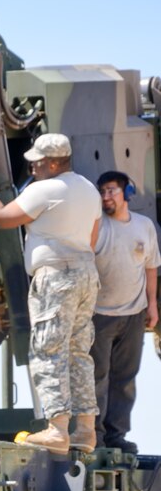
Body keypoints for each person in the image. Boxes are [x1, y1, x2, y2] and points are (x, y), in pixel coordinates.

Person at [0, 133, 101, 454]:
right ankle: (85, 431)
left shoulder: (46, 189)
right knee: (79, 352)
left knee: (47, 350)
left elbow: (1, 217)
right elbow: (92, 240)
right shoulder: (88, 189)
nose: (33, 167)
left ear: (54, 162)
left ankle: (56, 430)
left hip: (56, 278)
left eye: (37, 162)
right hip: (86, 275)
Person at [90, 171, 161, 454]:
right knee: (98, 376)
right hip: (99, 313)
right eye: (102, 192)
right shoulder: (96, 227)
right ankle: (94, 434)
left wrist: (152, 304)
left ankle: (117, 435)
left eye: (111, 191)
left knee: (125, 377)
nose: (106, 197)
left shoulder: (144, 226)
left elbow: (151, 267)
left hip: (133, 314)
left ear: (126, 194)